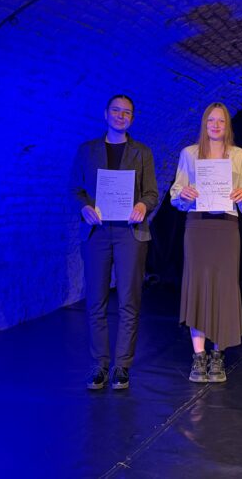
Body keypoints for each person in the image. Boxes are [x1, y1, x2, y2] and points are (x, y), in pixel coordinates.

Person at [70, 94, 159, 390]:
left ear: (132, 118)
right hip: (96, 231)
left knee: (129, 300)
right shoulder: (87, 151)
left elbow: (151, 192)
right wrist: (84, 207)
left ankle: (122, 366)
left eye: (127, 113)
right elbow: (75, 189)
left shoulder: (142, 152)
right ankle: (99, 364)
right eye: (116, 111)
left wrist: (143, 205)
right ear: (105, 114)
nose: (121, 116)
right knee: (95, 299)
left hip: (129, 233)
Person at [170, 102, 242, 383]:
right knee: (197, 285)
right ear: (204, 124)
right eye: (211, 120)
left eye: (221, 121)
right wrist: (184, 194)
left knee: (224, 288)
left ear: (228, 125)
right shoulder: (189, 154)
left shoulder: (239, 155)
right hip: (198, 226)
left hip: (226, 227)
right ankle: (199, 356)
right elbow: (176, 193)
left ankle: (218, 355)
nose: (216, 125)